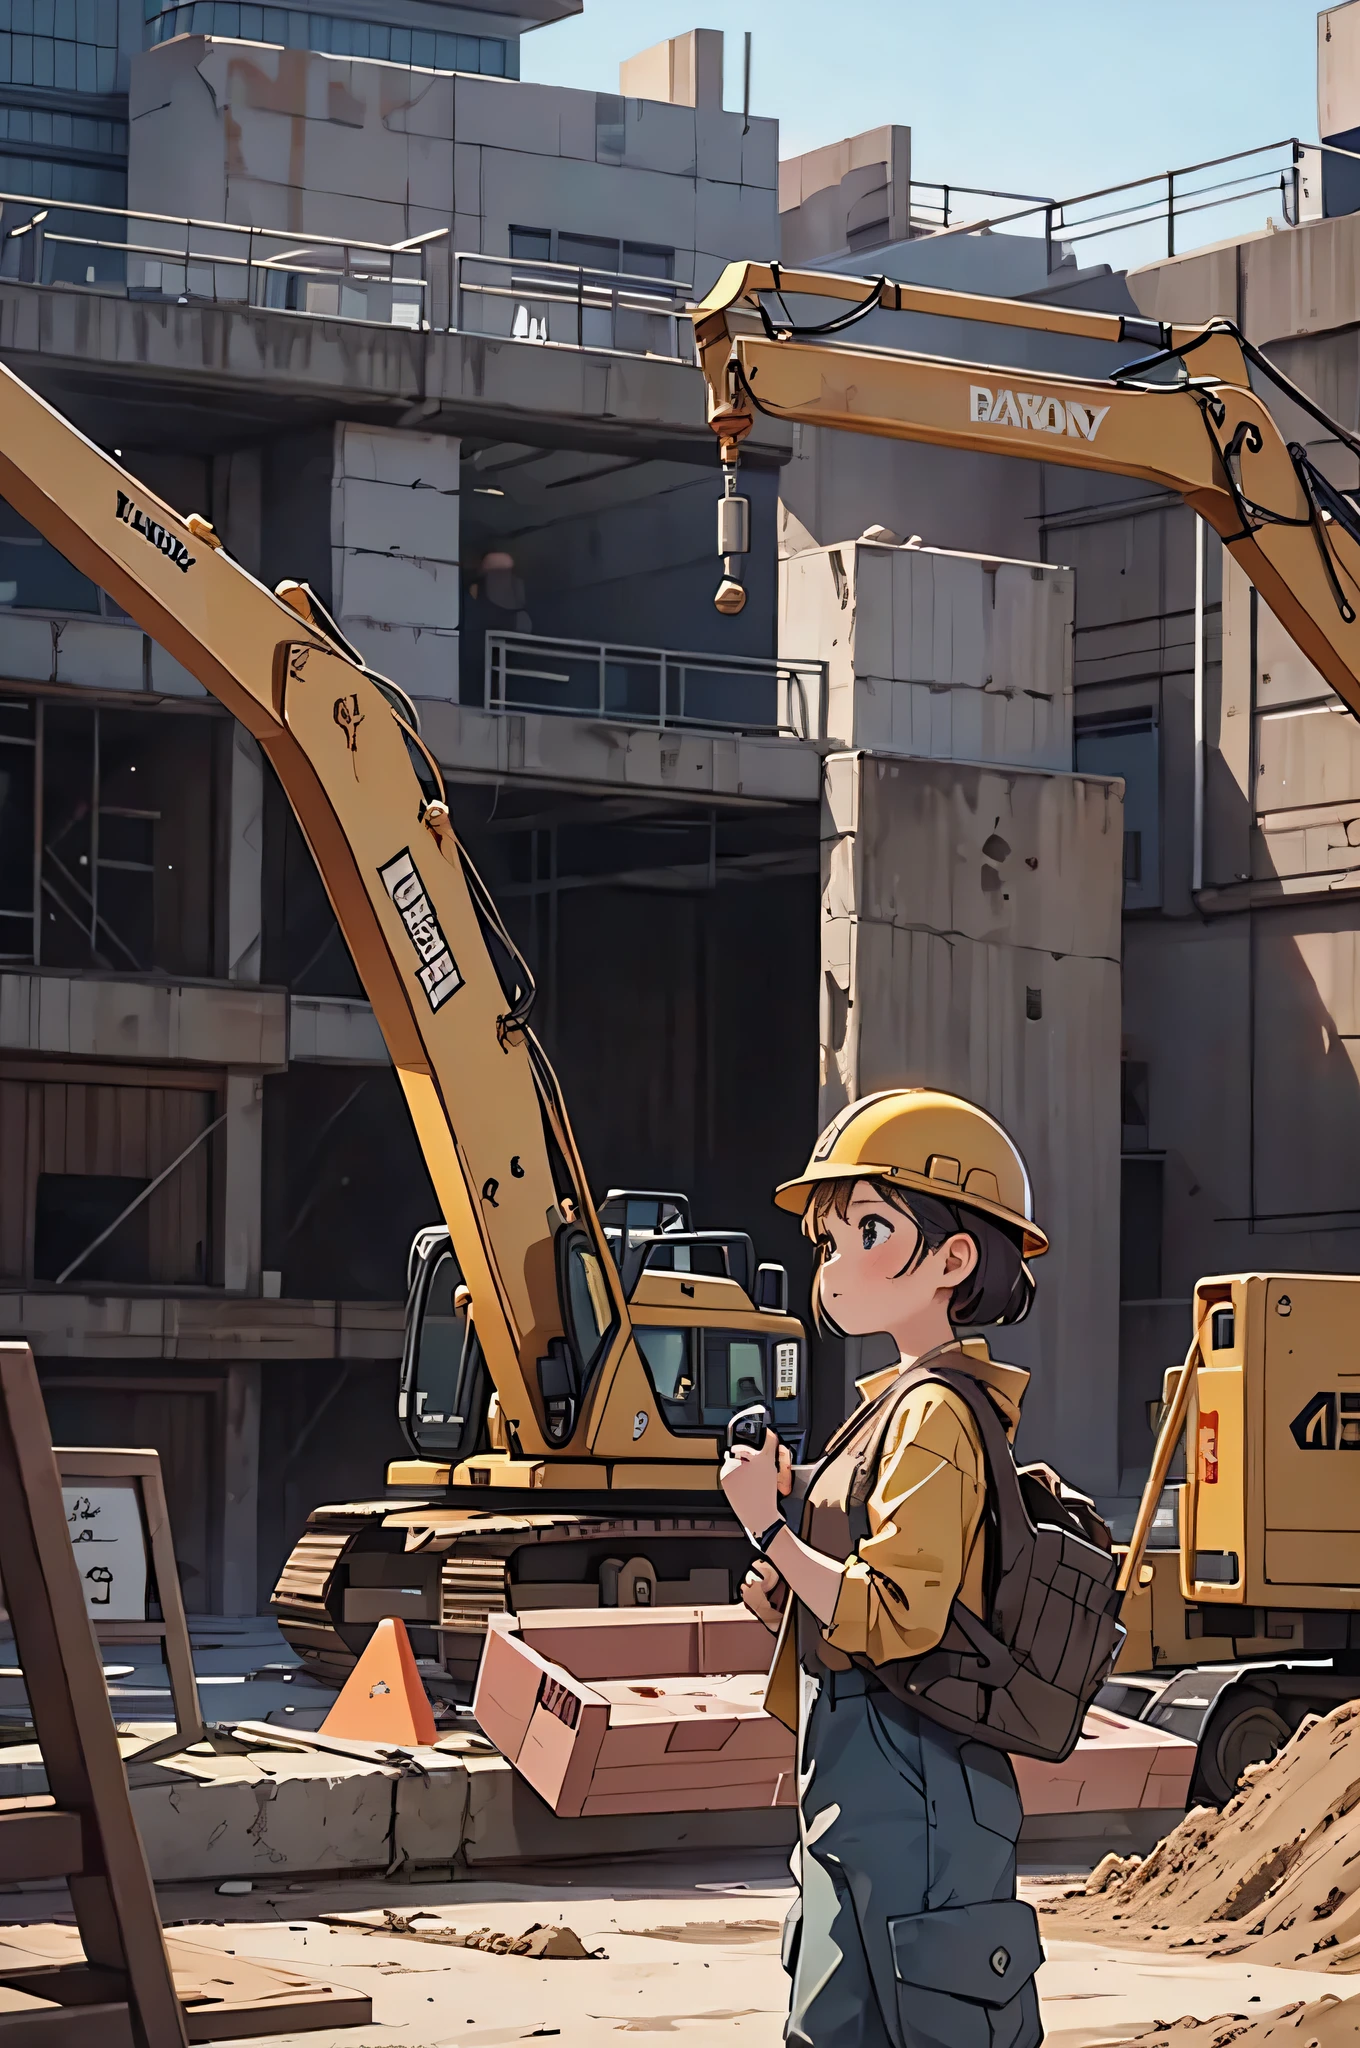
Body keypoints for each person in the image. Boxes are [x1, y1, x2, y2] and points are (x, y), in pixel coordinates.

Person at [720, 1088, 1054, 2048]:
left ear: (953, 1260)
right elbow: (861, 1597)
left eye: (867, 1229)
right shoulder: (889, 1410)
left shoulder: (935, 1414)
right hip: (859, 1755)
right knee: (835, 2013)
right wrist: (787, 1584)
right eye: (830, 1239)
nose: (833, 1264)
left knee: (933, 2011)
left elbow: (901, 1611)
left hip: (918, 1763)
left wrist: (771, 1535)